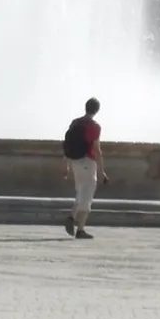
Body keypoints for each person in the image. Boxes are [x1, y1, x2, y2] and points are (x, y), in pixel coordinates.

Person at [62, 97, 107, 240]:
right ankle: (79, 228)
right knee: (87, 196)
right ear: (97, 110)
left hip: (75, 161)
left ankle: (73, 219)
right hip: (88, 161)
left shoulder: (75, 122)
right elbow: (97, 150)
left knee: (81, 192)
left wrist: (67, 166)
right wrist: (101, 171)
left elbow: (67, 145)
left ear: (85, 107)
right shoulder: (94, 127)